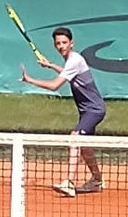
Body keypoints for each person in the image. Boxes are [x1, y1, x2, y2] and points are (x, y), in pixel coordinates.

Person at [20, 26, 106, 198]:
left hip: (94, 109)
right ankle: (96, 180)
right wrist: (50, 65)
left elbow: (54, 86)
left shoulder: (74, 60)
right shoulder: (72, 61)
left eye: (64, 43)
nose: (61, 46)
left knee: (75, 137)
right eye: (58, 43)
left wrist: (30, 80)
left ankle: (69, 182)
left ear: (71, 43)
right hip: (86, 110)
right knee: (85, 146)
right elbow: (70, 74)